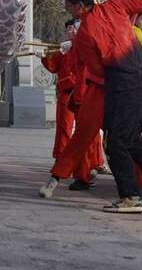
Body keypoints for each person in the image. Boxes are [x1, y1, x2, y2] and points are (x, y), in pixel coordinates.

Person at [39, 0, 142, 214]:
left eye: (69, 6)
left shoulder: (85, 34)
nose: (67, 11)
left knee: (115, 141)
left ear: (80, 6)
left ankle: (130, 197)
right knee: (128, 137)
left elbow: (97, 70)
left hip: (120, 84)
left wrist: (86, 87)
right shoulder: (116, 5)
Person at [41, 18, 102, 191]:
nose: (73, 31)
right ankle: (66, 162)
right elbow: (53, 66)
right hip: (69, 93)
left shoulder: (88, 45)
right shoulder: (64, 49)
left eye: (76, 29)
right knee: (65, 128)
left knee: (88, 133)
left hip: (87, 94)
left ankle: (92, 165)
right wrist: (46, 56)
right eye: (70, 29)